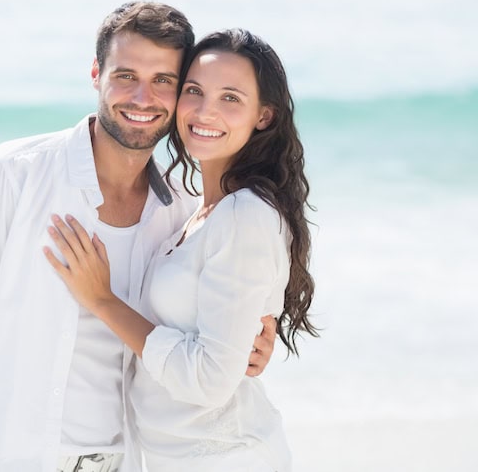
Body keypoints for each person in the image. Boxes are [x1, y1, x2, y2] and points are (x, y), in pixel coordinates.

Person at [0, 3, 277, 472]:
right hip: (5, 455)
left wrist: (252, 343)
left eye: (163, 81)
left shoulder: (182, 214)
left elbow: (205, 338)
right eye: (125, 75)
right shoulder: (13, 174)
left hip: (120, 460)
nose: (142, 97)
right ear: (96, 74)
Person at [44, 29, 317, 471]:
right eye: (194, 91)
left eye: (231, 98)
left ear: (263, 116)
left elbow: (209, 381)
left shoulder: (245, 214)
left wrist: (101, 300)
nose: (206, 111)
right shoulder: (195, 212)